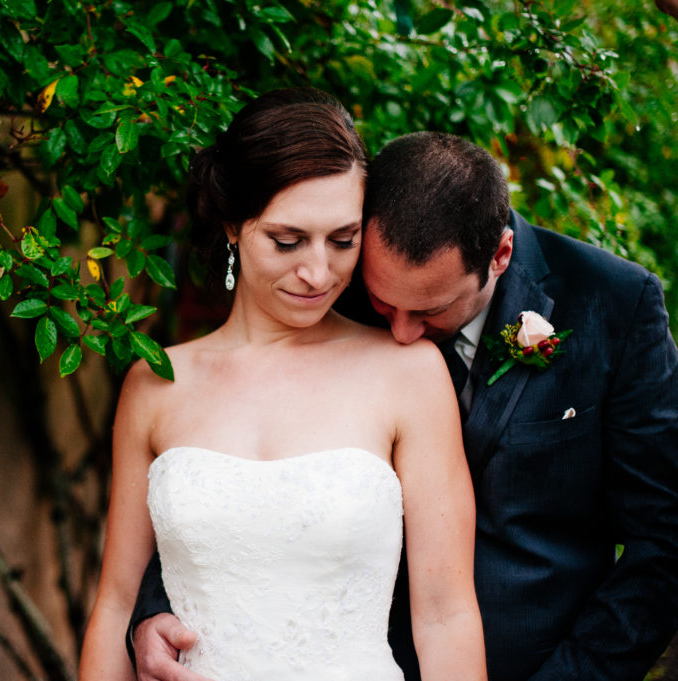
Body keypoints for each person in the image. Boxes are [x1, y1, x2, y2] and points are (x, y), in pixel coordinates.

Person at [131, 131, 678, 681]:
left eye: (431, 310)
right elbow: (234, 469)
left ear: (501, 256)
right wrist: (158, 607)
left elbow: (665, 540)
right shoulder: (333, 283)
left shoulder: (615, 305)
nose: (400, 331)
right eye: (382, 303)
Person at [78, 88, 487, 681]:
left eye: (343, 241)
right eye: (287, 241)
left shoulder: (409, 374)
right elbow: (114, 603)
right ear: (232, 228)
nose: (319, 273)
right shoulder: (156, 384)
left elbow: (446, 614)